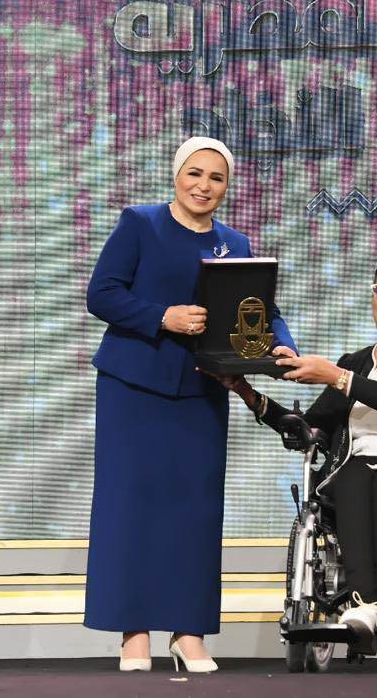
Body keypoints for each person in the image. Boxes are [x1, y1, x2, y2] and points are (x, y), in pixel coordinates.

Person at [84, 136, 297, 673]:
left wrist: (282, 343)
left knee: (194, 512)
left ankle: (188, 632)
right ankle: (134, 632)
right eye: (195, 174)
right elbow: (102, 293)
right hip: (133, 387)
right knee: (129, 507)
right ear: (176, 175)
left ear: (227, 186)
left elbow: (261, 307)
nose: (204, 186)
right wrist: (163, 317)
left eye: (216, 178)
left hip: (202, 389)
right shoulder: (141, 223)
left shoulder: (235, 241)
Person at [217, 254, 377, 658]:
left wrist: (337, 377)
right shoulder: (356, 362)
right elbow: (309, 429)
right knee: (349, 475)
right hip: (357, 475)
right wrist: (246, 392)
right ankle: (363, 607)